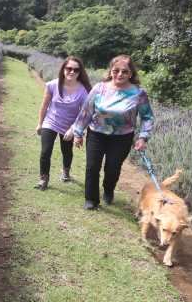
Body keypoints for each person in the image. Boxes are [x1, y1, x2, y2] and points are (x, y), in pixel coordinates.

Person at [67, 54, 154, 210]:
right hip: (96, 133)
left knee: (112, 169)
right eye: (116, 70)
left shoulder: (138, 93)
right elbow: (86, 112)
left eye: (125, 71)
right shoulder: (99, 88)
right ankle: (91, 200)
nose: (120, 74)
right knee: (92, 167)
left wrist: (143, 137)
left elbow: (147, 117)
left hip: (122, 138)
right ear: (111, 71)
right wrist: (78, 133)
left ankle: (108, 190)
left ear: (131, 73)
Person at [34, 56, 92, 190]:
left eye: (76, 70)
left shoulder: (83, 90)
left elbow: (84, 114)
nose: (72, 72)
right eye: (69, 68)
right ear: (63, 69)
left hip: (69, 126)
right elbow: (44, 106)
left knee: (67, 151)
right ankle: (43, 179)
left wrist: (73, 129)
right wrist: (40, 124)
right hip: (51, 122)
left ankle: (65, 172)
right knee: (45, 151)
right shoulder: (52, 85)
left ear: (80, 72)